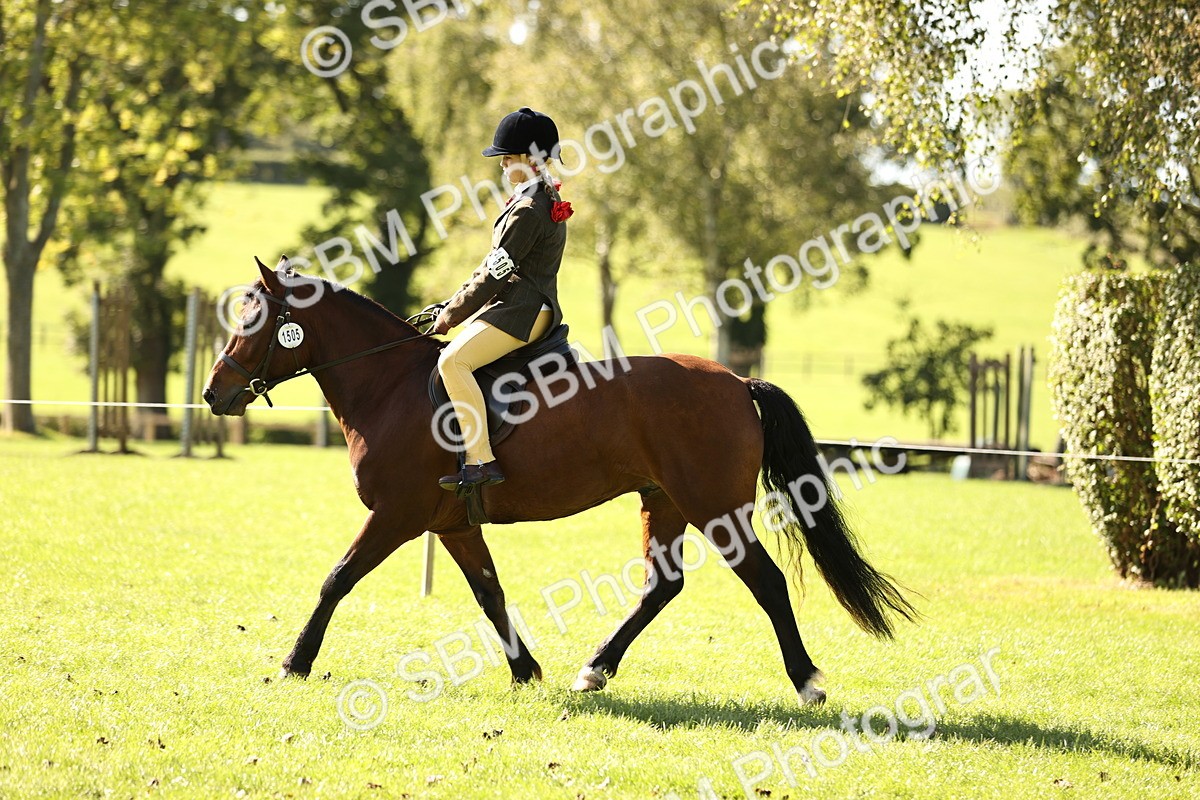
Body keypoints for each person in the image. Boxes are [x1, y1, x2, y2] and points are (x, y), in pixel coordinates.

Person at [429, 107, 574, 492]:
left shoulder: (529, 209)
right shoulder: (537, 199)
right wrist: (452, 303)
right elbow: (491, 267)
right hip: (524, 306)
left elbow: (495, 274)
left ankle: (480, 460)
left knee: (453, 361)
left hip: (523, 311)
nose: (503, 167)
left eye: (507, 159)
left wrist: (452, 315)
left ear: (530, 160)